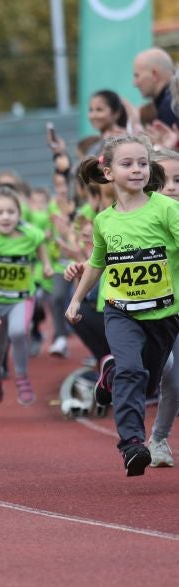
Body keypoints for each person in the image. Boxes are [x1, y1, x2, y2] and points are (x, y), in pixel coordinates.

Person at [65, 135, 175, 477]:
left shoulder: (167, 209)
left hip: (164, 315)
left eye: (143, 163)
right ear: (109, 172)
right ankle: (131, 444)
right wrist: (77, 298)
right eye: (127, 164)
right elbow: (98, 262)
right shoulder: (104, 221)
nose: (138, 170)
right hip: (121, 310)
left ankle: (109, 376)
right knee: (132, 371)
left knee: (147, 383)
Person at [0, 187, 52, 405]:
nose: (5, 217)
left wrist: (46, 264)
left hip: (21, 297)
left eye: (11, 212)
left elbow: (40, 243)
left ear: (19, 215)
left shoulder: (30, 234)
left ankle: (22, 378)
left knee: (19, 332)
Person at [148, 148, 179, 467]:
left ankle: (158, 438)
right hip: (158, 314)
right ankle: (158, 438)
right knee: (171, 377)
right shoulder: (144, 219)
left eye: (178, 180)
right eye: (163, 180)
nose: (171, 186)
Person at [132, 47, 178, 129]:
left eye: (137, 76)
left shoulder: (170, 106)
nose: (134, 83)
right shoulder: (169, 102)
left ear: (154, 74)